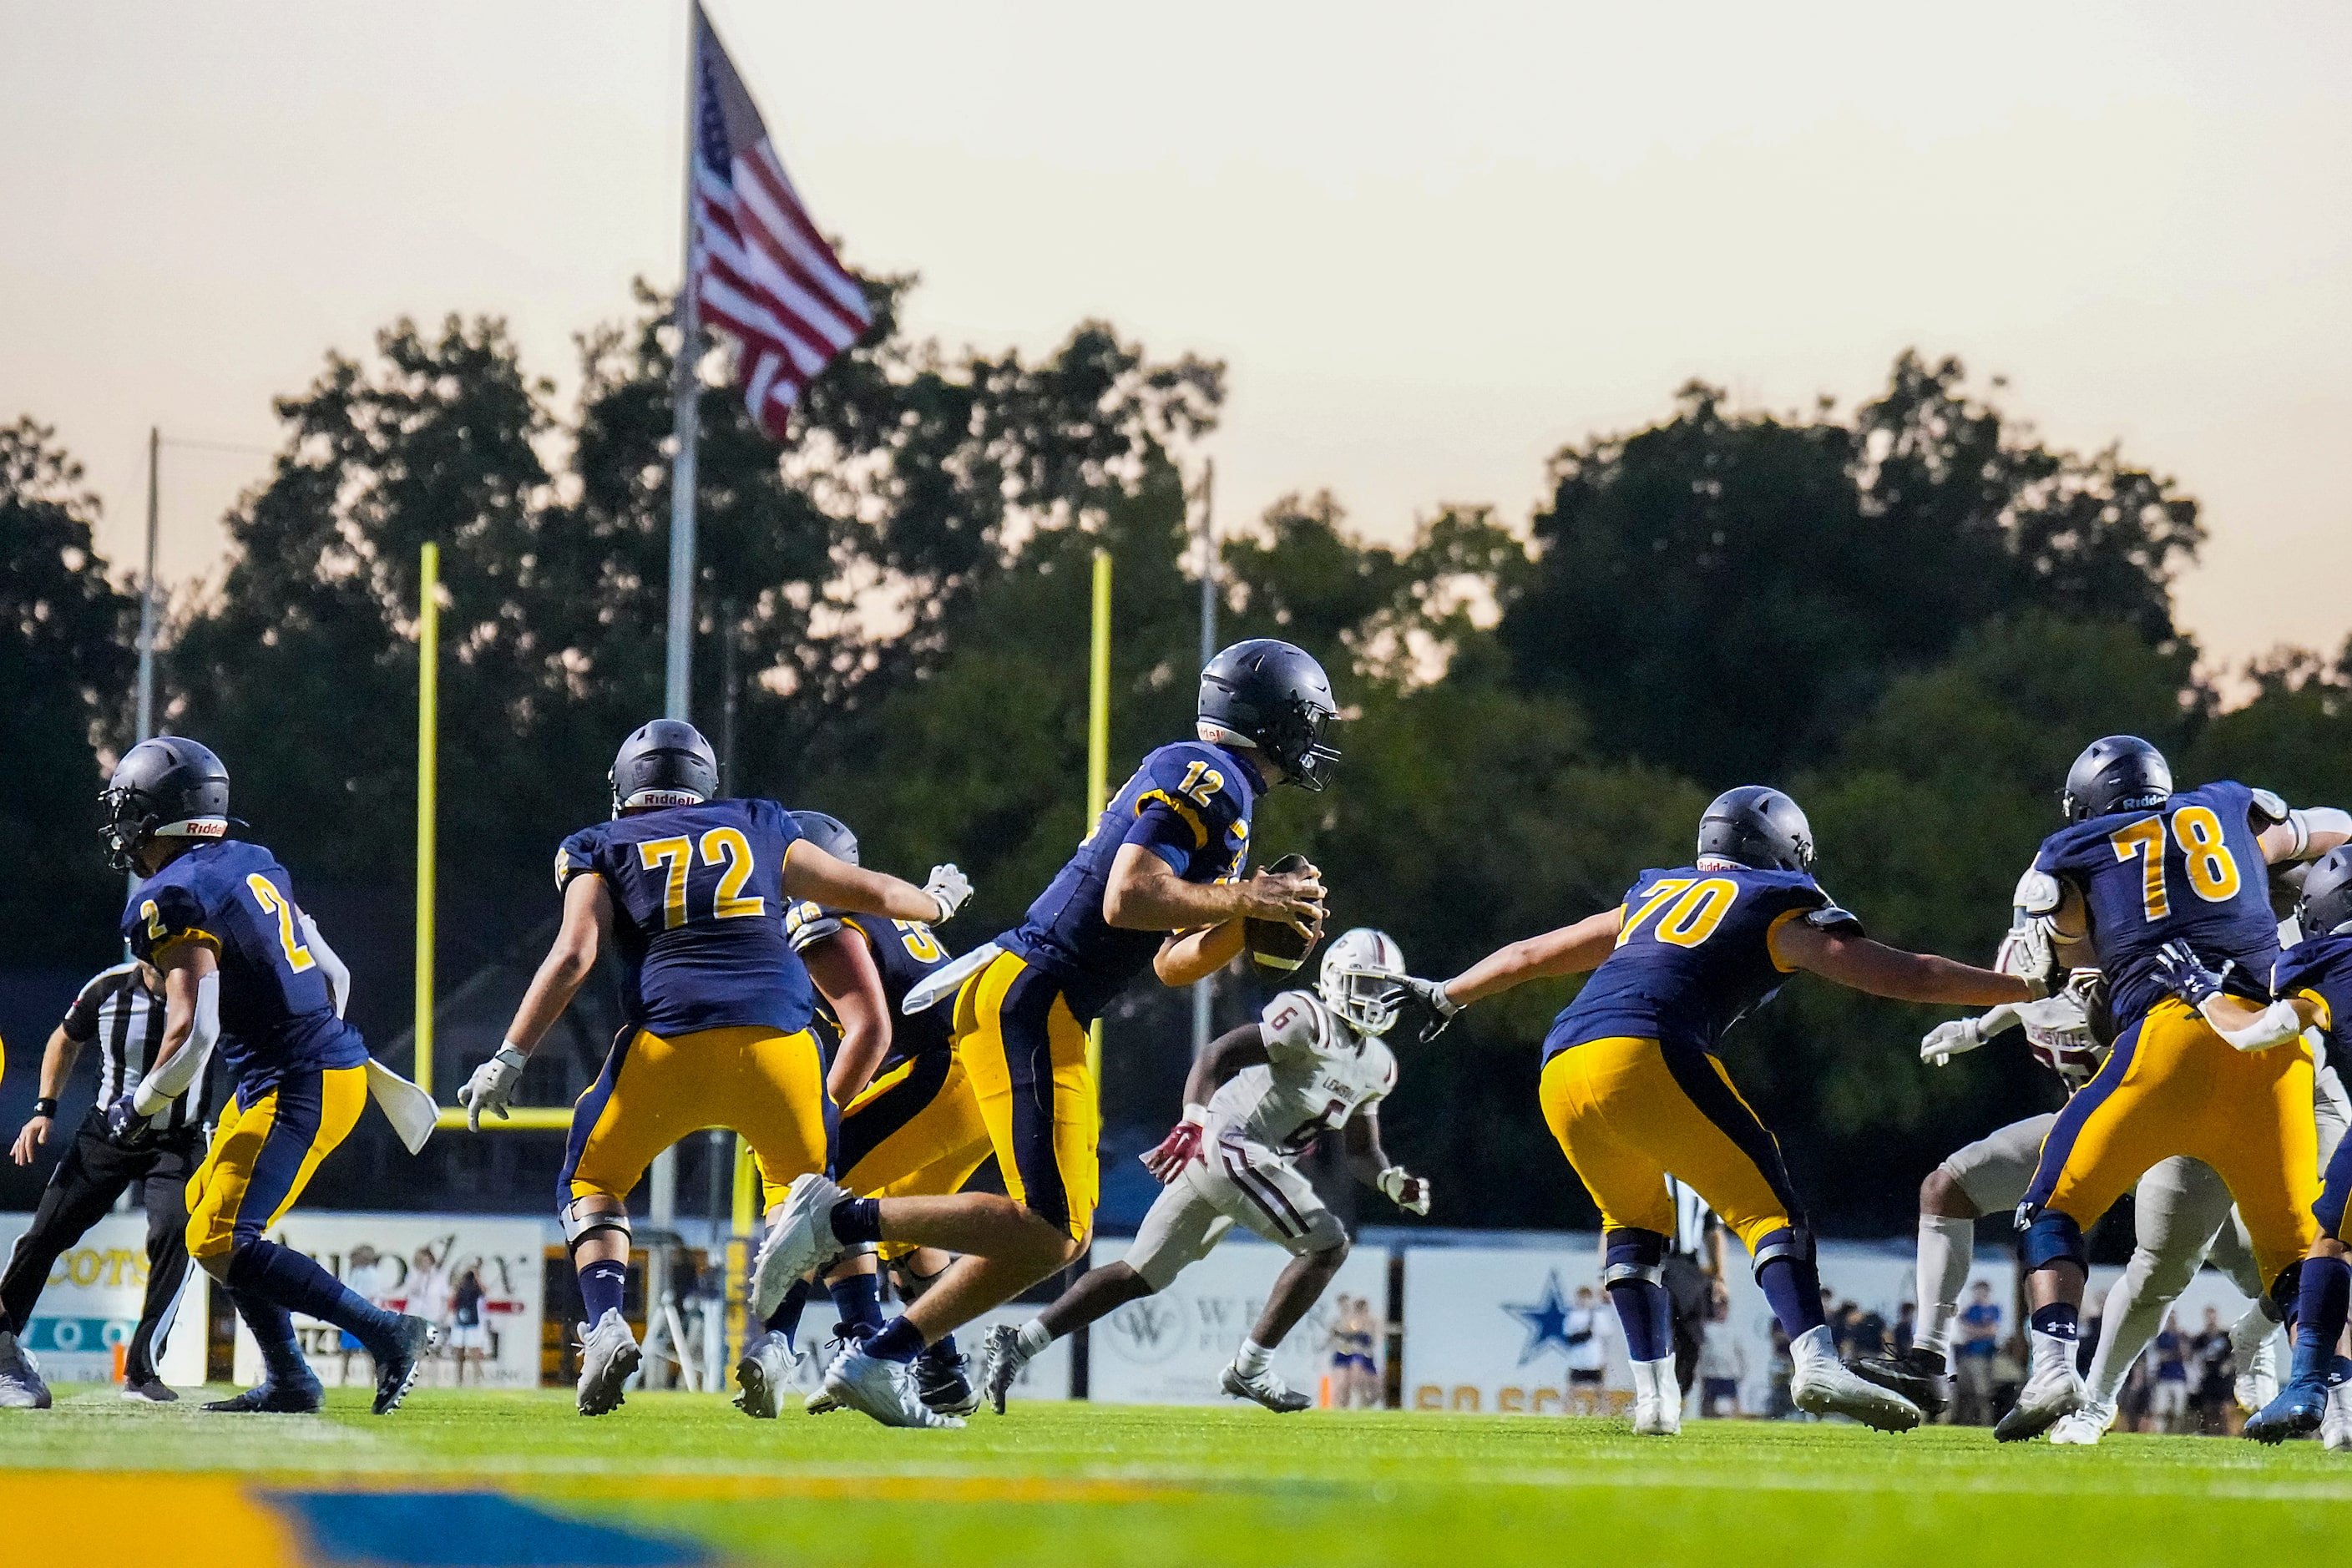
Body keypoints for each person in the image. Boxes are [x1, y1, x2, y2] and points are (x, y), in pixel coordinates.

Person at [752, 640, 1340, 1428]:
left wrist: (1244, 923)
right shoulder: (1210, 776)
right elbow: (1128, 897)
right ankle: (838, 1223)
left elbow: (1167, 962)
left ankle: (880, 1353)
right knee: (1053, 1227)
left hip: (1041, 1000)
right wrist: (1243, 900)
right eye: (1307, 718)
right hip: (1034, 994)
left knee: (1052, 1238)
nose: (1314, 735)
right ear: (1272, 719)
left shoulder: (1225, 797)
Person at [1404, 786, 2039, 1436]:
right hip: (1645, 1049)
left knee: (1630, 1224)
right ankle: (1814, 1360)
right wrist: (2029, 987)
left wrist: (1445, 995)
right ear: (1785, 851)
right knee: (1770, 1210)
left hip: (1561, 1064)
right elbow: (1911, 976)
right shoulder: (1777, 905)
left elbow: (1529, 955)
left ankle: (1655, 1404)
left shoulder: (1650, 895)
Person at [457, 719, 972, 1417]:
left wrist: (509, 1055)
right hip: (782, 1045)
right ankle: (774, 1347)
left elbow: (574, 955)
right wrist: (936, 903)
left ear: (624, 785)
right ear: (705, 782)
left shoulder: (598, 844)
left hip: (670, 1040)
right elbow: (867, 890)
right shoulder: (758, 820)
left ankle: (607, 1324)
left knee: (593, 1179)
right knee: (801, 1204)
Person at [1992, 737, 2349, 1441]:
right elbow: (2326, 827)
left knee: (2051, 1206)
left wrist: (2052, 956)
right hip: (2275, 1052)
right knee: (2296, 1256)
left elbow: (2068, 946)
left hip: (2170, 1036)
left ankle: (2054, 1368)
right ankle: (2331, 1404)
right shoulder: (2222, 803)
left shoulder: (2069, 848)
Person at [87, 736, 438, 1414]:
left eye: (129, 809)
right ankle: (291, 1379)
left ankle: (387, 1333)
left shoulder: (174, 895)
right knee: (204, 1221)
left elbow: (194, 1032)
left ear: (161, 814)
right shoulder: (251, 864)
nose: (122, 826)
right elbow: (336, 976)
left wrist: (140, 1104)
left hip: (299, 1083)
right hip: (315, 1072)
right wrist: (304, 1047)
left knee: (219, 1238)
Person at [981, 929, 1429, 1414]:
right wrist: (1191, 1122)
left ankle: (1018, 1342)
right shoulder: (1307, 1019)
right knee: (1328, 1244)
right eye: (1364, 985)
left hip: (1242, 1160)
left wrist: (1390, 1180)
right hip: (1230, 1142)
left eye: (1382, 989)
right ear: (1336, 979)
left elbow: (1362, 1152)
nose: (1374, 1000)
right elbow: (1219, 1055)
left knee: (1137, 1275)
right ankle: (1250, 1368)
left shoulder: (1378, 1066)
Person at [736, 809, 989, 1421]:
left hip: (945, 1070)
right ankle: (941, 1372)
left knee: (809, 1184)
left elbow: (870, 1031)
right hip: (983, 1077)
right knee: (898, 1222)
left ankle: (791, 1342)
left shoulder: (819, 912)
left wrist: (820, 1116)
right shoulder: (884, 910)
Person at [0, 959, 216, 1406]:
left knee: (176, 1232)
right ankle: (3, 1352)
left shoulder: (211, 989)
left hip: (178, 1139)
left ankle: (142, 1371)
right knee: (44, 1234)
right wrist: (44, 1108)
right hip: (108, 1133)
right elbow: (65, 1038)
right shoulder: (110, 988)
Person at [2218, 848, 2352, 1442]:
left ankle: (2306, 1388)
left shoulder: (2326, 960)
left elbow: (2258, 1033)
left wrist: (2201, 991)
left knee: (2329, 1245)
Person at [1662, 1175, 1728, 1398]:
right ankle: (1656, 1393)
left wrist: (1720, 1277)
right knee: (1658, 1332)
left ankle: (1678, 1393)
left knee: (1692, 1336)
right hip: (1655, 1262)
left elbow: (1714, 1232)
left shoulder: (1699, 1182)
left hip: (1689, 1266)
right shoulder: (1649, 1176)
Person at [1950, 1280, 2001, 1426]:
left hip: (1983, 1356)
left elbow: (1991, 1331)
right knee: (1966, 1392)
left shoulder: (1993, 1309)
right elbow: (1961, 1327)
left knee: (1982, 1392)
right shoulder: (1970, 1309)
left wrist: (1974, 1331)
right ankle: (1965, 1422)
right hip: (1967, 1355)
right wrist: (1979, 1331)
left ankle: (1986, 1422)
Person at [1328, 1295, 1381, 1409]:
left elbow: (1375, 1337)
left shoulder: (1372, 1321)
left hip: (1363, 1355)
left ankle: (1363, 1403)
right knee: (1343, 1382)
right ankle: (1340, 1405)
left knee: (1368, 1383)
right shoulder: (1346, 1320)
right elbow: (1336, 1335)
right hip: (1347, 1354)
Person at [1696, 1297, 1745, 1417]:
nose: (1721, 1311)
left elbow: (1740, 1352)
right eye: (1718, 1308)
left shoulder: (1733, 1330)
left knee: (1733, 1402)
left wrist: (1741, 1370)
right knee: (1708, 1404)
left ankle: (1736, 1422)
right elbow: (1701, 1351)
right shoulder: (1706, 1329)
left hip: (1729, 1373)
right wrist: (1699, 1371)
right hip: (1711, 1373)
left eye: (1724, 1308)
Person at [1563, 1285, 1608, 1415]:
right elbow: (1569, 1336)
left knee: (1599, 1390)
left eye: (1587, 1298)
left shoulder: (1598, 1315)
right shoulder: (1573, 1316)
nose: (1584, 1301)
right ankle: (1567, 1412)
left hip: (1594, 1358)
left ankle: (1604, 1413)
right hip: (1577, 1359)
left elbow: (1604, 1335)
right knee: (1572, 1389)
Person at [2148, 1313, 2191, 1433]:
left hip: (2178, 1377)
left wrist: (2172, 1353)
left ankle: (2176, 1431)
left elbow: (2185, 1355)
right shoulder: (2161, 1337)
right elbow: (2159, 1356)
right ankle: (2159, 1432)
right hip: (2163, 1377)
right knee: (2160, 1409)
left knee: (2178, 1410)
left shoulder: (2181, 1337)